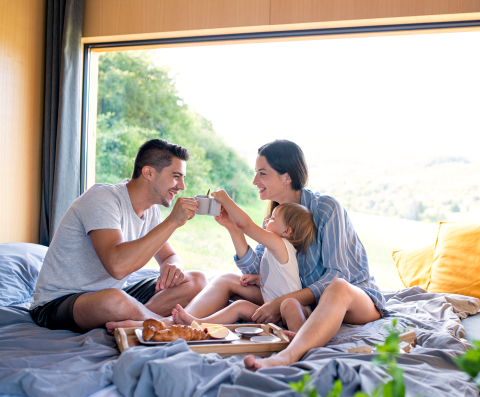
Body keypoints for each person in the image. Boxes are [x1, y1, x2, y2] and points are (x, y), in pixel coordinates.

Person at [107, 139, 385, 370]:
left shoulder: (326, 208)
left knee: (337, 287)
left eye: (262, 173)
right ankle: (172, 325)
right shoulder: (276, 217)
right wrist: (232, 229)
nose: (254, 180)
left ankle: (287, 356)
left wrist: (281, 302)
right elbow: (256, 270)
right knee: (227, 279)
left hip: (353, 300)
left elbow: (338, 276)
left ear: (286, 176)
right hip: (299, 299)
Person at [30, 139, 207, 333]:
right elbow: (117, 266)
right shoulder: (102, 198)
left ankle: (139, 321)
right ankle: (164, 325)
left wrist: (172, 267)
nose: (181, 186)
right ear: (148, 172)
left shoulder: (151, 212)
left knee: (196, 281)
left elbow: (168, 256)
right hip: (58, 303)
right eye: (176, 176)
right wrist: (172, 222)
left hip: (114, 294)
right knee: (115, 301)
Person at [172, 193, 316, 335]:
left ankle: (299, 336)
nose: (266, 221)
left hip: (296, 311)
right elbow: (278, 278)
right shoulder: (274, 249)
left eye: (272, 218)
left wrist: (226, 200)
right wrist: (258, 279)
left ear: (286, 231)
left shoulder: (281, 244)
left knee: (289, 304)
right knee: (240, 306)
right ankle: (199, 324)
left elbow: (246, 226)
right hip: (272, 311)